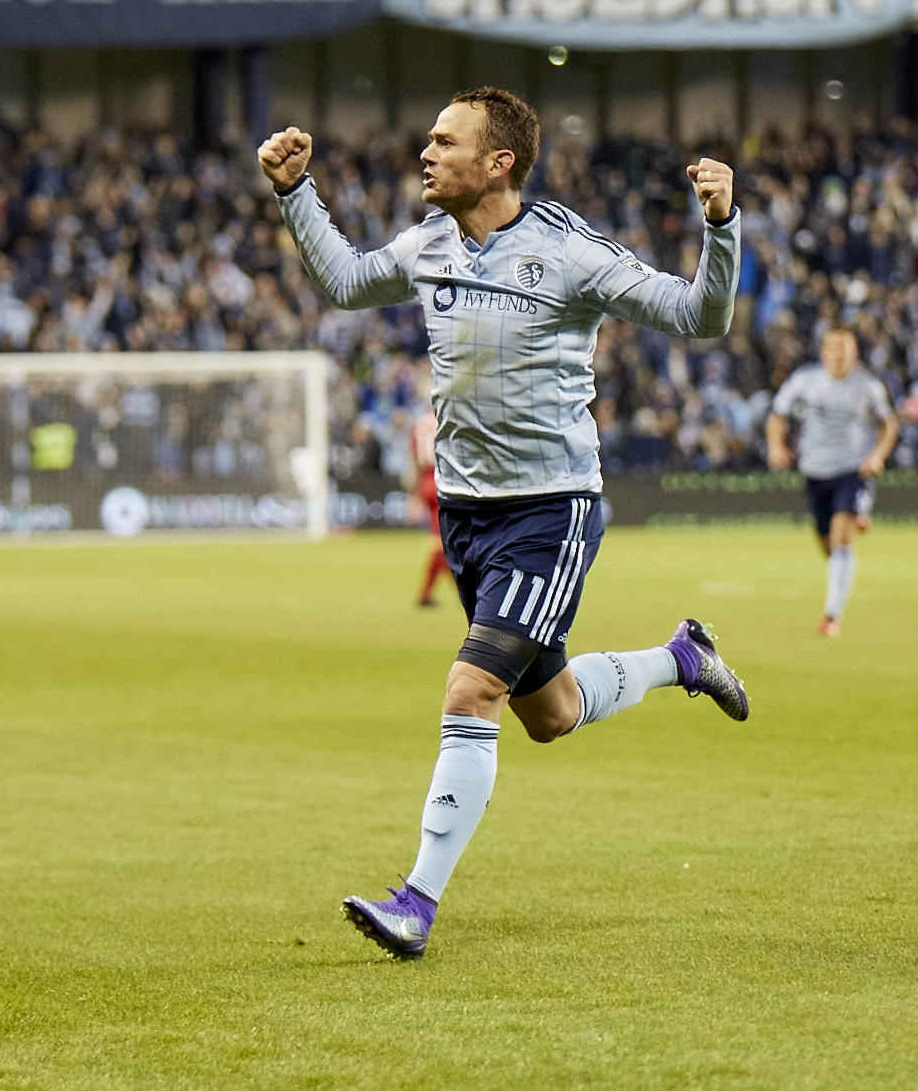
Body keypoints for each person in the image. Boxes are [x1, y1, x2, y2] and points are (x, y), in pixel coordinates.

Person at [257, 88, 751, 960]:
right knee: (549, 713)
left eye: (445, 141)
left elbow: (698, 316)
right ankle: (682, 657)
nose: (426, 151)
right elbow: (341, 283)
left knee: (470, 690)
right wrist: (298, 193)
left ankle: (415, 901)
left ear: (499, 163)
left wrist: (720, 225)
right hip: (466, 515)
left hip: (548, 509)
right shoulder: (427, 245)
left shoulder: (568, 254)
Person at [765, 327, 899, 636]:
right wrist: (776, 446)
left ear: (854, 353)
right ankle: (854, 528)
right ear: (823, 352)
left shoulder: (867, 386)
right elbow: (777, 415)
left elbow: (888, 424)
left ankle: (831, 616)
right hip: (814, 472)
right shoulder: (805, 381)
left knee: (841, 536)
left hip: (852, 470)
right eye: (835, 348)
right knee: (828, 545)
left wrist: (877, 456)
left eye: (846, 348)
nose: (840, 354)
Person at [406, 409, 451, 606]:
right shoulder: (447, 418)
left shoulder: (419, 423)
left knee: (441, 540)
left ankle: (430, 593)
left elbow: (415, 460)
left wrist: (414, 495)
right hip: (443, 480)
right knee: (442, 545)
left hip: (425, 480)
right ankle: (426, 593)